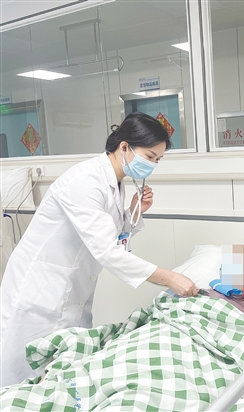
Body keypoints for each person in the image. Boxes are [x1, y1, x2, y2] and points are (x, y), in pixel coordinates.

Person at [0, 112, 198, 387]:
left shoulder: (115, 180)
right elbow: (108, 252)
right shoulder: (85, 181)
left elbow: (110, 235)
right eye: (150, 156)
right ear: (125, 146)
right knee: (18, 375)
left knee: (60, 371)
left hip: (72, 290)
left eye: (158, 160)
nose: (152, 165)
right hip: (40, 292)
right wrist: (170, 278)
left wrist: (133, 212)